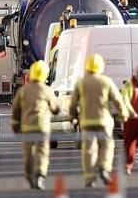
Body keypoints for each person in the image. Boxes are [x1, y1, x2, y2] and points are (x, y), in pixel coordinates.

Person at [69, 53, 129, 188]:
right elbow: (117, 99)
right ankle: (104, 168)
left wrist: (72, 117)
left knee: (89, 150)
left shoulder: (81, 83)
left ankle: (90, 179)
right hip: (104, 121)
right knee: (107, 146)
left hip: (86, 122)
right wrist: (123, 114)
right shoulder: (106, 81)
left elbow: (73, 103)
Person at [11, 60, 60, 190]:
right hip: (42, 128)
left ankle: (29, 176)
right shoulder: (47, 90)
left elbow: (16, 110)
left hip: (27, 128)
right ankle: (39, 176)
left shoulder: (23, 91)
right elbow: (55, 109)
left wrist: (15, 126)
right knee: (42, 153)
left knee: (29, 155)